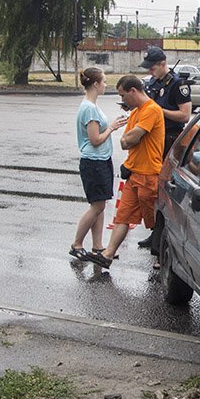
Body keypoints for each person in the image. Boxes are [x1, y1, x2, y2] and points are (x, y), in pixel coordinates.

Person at [85, 75, 165, 269]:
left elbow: (131, 138)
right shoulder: (137, 112)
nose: (122, 100)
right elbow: (124, 142)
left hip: (149, 174)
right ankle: (108, 255)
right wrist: (131, 138)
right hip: (133, 173)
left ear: (133, 91)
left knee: (154, 221)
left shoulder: (152, 110)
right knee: (123, 216)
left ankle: (162, 257)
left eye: (123, 95)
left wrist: (131, 138)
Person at [137, 46, 192, 250]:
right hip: (154, 140)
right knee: (153, 187)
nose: (150, 72)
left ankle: (165, 234)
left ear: (163, 64)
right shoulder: (153, 83)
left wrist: (159, 111)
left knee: (166, 187)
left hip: (170, 139)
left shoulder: (178, 84)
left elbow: (185, 115)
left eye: (152, 68)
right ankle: (155, 231)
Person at [69, 67, 119, 262]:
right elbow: (95, 139)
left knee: (100, 205)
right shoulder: (89, 108)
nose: (106, 84)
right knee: (96, 206)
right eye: (104, 81)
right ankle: (76, 244)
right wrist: (112, 128)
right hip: (94, 162)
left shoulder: (92, 105)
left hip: (101, 160)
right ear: (96, 84)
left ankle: (97, 246)